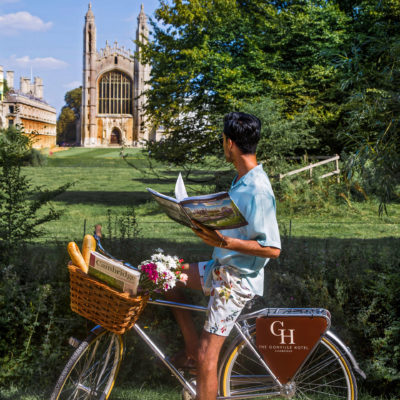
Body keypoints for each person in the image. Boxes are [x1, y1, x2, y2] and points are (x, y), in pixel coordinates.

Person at [166, 111, 281, 400]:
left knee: (209, 355)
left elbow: (273, 248)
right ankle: (191, 351)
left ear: (229, 143)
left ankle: (198, 356)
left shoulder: (258, 188)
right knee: (167, 277)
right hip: (220, 268)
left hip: (236, 280)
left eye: (222, 140)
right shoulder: (242, 179)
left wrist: (224, 241)